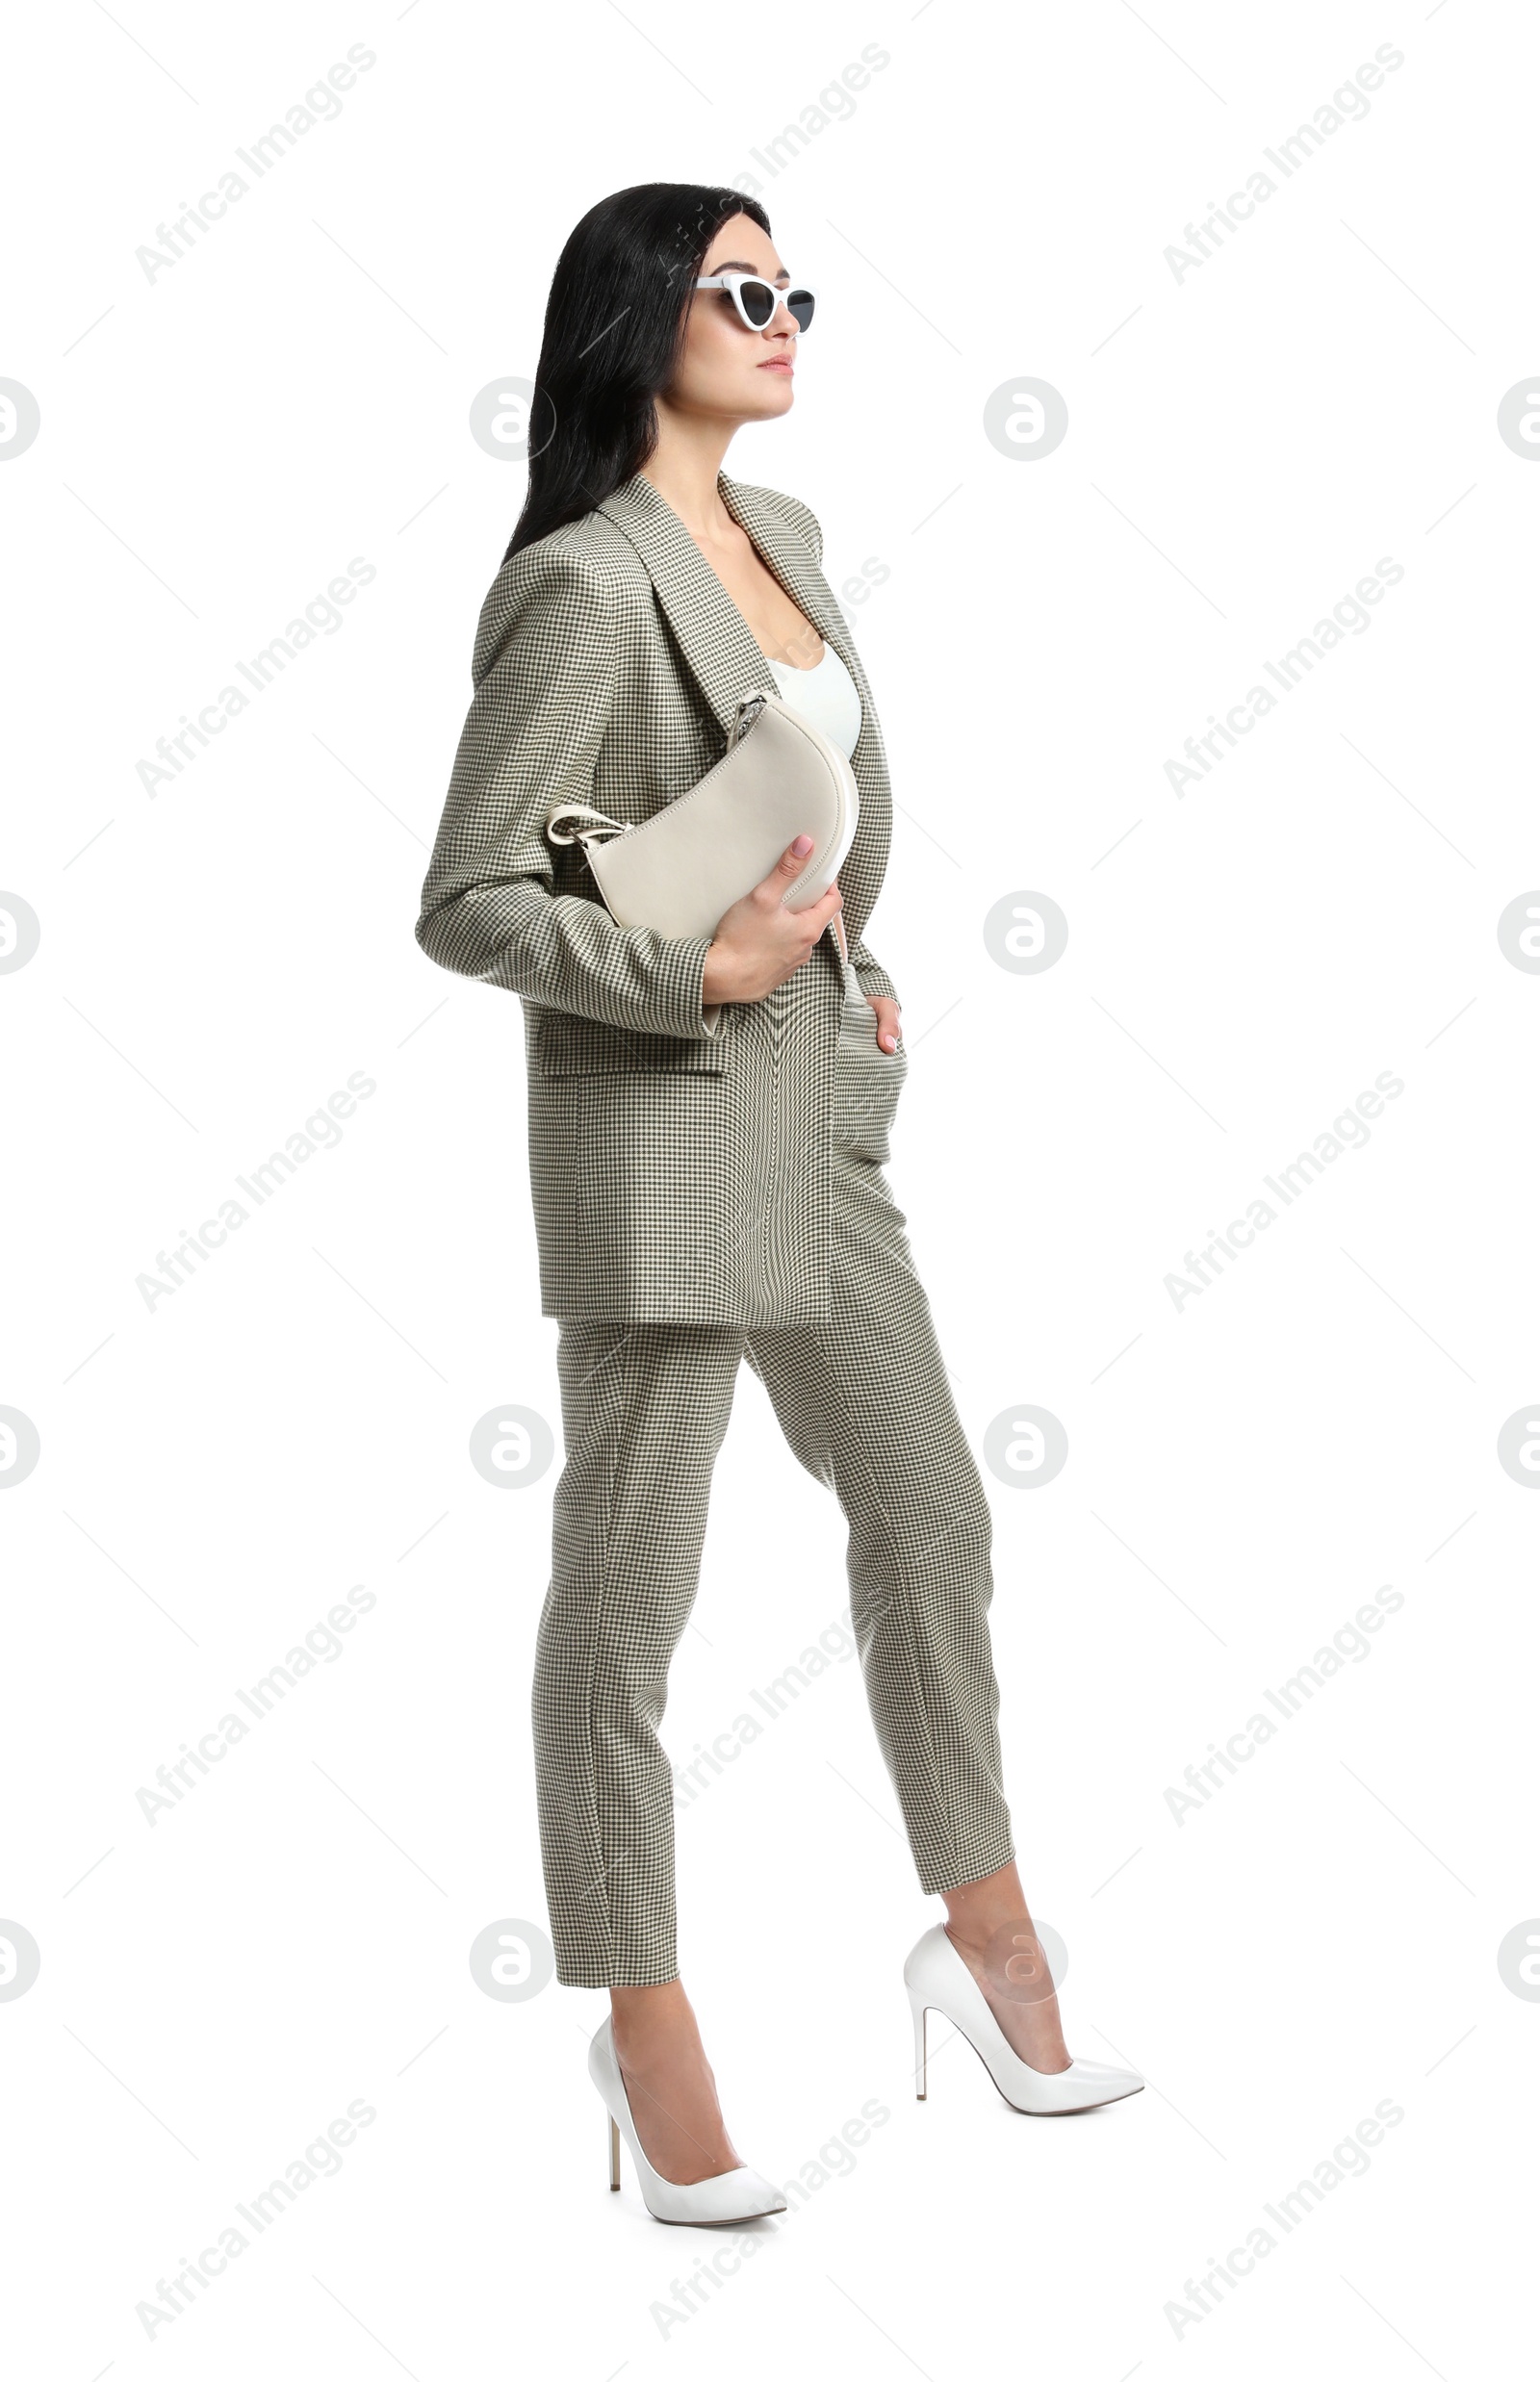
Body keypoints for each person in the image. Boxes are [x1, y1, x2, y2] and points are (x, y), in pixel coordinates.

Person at [414, 182, 1142, 2226]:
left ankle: (986, 1944)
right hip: (657, 1121)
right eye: (742, 288)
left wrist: (841, 962)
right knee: (628, 1599)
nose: (780, 313)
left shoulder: (789, 542)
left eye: (791, 286)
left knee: (928, 1505)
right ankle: (643, 2024)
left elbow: (818, 806)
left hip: (817, 1114)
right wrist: (696, 970)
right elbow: (468, 900)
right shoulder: (578, 582)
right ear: (638, 317)